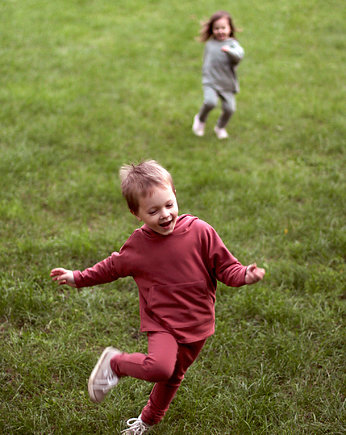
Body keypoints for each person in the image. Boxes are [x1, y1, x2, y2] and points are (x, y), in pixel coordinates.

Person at [50, 160, 265, 434]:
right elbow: (111, 267)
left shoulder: (201, 232)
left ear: (175, 195)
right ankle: (115, 363)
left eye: (169, 205)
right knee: (161, 368)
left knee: (173, 376)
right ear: (136, 213)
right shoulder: (139, 246)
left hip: (198, 321)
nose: (165, 215)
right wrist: (78, 277)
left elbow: (225, 267)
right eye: (153, 211)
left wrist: (244, 275)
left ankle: (146, 421)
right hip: (162, 321)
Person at [192, 10, 244, 140]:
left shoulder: (233, 44)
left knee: (229, 109)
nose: (220, 31)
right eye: (216, 28)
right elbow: (207, 62)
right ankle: (200, 119)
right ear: (212, 30)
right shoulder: (210, 44)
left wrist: (229, 52)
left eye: (223, 28)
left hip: (227, 83)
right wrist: (206, 76)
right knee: (210, 102)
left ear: (230, 29)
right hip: (211, 82)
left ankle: (220, 127)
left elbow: (239, 56)